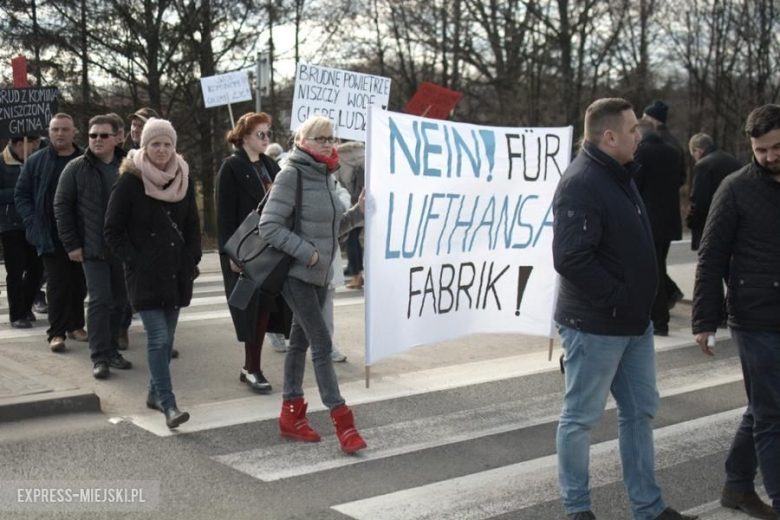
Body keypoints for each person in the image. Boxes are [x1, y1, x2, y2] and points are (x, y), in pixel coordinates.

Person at [552, 98, 696, 520]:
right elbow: (572, 258)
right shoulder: (582, 181)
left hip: (633, 324)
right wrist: (618, 297)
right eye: (633, 129)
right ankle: (577, 510)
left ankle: (648, 509)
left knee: (639, 413)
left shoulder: (620, 173)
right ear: (609, 136)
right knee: (580, 418)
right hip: (596, 325)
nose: (641, 134)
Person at [258, 115, 367, 454]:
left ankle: (291, 414)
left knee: (299, 345)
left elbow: (331, 228)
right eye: (319, 138)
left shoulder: (325, 174)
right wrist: (309, 255)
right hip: (296, 274)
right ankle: (343, 422)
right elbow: (269, 226)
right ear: (302, 140)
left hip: (319, 276)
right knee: (322, 343)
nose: (327, 144)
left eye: (331, 138)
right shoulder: (292, 173)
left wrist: (359, 212)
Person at [692, 104, 780, 520]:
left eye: (777, 147)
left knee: (765, 405)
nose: (770, 157)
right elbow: (711, 256)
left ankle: (737, 485)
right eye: (761, 150)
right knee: (772, 414)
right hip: (753, 314)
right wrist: (704, 320)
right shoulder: (735, 187)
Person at [104, 118, 200, 429]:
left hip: (176, 271)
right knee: (158, 338)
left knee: (168, 336)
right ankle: (168, 403)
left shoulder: (182, 178)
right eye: (155, 144)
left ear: (174, 147)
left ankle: (153, 392)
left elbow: (192, 226)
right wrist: (136, 260)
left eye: (167, 144)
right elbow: (113, 230)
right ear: (144, 146)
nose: (161, 149)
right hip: (144, 273)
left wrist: (191, 259)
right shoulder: (130, 181)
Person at [216, 112, 291, 393]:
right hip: (245, 250)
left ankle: (252, 366)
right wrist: (232, 255)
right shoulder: (231, 168)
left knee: (267, 309)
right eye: (261, 134)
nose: (266, 139)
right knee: (252, 309)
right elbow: (224, 218)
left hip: (271, 248)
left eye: (268, 134)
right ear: (245, 137)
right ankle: (252, 368)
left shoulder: (272, 165)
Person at [54, 115, 133, 379]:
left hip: (123, 249)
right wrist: (72, 244)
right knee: (100, 301)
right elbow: (62, 206)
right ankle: (99, 357)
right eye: (92, 135)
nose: (97, 140)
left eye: (103, 135)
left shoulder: (130, 166)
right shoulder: (76, 167)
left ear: (116, 138)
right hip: (92, 248)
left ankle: (112, 351)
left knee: (120, 301)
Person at [14, 113, 88, 352]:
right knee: (57, 283)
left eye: (65, 129)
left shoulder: (86, 159)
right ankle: (56, 333)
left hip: (81, 233)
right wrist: (32, 221)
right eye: (55, 129)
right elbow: (21, 194)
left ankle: (76, 325)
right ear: (49, 131)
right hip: (49, 232)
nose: (60, 133)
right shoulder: (36, 161)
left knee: (79, 282)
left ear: (74, 132)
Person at [633, 121, 685, 336]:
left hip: (649, 220)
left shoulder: (643, 154)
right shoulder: (673, 152)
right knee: (659, 266)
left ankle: (659, 319)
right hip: (670, 220)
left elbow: (634, 184)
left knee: (651, 271)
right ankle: (666, 304)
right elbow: (681, 180)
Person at [642, 100, 686, 308]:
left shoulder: (647, 144)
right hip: (670, 213)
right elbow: (681, 178)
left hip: (651, 214)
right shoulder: (675, 145)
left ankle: (662, 304)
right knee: (659, 261)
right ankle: (669, 293)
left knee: (654, 263)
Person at [1, 135, 44, 328]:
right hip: (11, 225)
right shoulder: (2, 162)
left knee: (37, 268)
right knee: (16, 270)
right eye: (32, 144)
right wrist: (19, 190)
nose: (35, 148)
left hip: (33, 223)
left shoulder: (34, 161)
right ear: (20, 144)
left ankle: (26, 307)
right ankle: (17, 314)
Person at [686, 133, 742, 251]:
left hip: (710, 224)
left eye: (693, 154)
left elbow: (699, 199)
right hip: (734, 221)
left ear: (698, 151)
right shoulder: (734, 161)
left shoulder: (703, 165)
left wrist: (691, 220)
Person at [335, 141, 365, 290]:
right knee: (360, 242)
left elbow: (337, 183)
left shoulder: (339, 156)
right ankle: (361, 273)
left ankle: (356, 276)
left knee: (351, 241)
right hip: (366, 202)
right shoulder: (364, 152)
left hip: (351, 204)